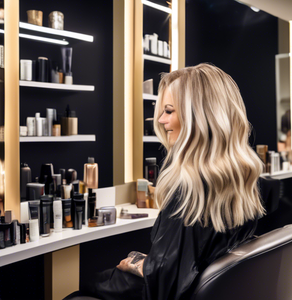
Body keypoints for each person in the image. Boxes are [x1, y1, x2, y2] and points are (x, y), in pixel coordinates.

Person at [76, 64, 265, 300]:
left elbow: (163, 283)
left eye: (169, 111)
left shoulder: (192, 189)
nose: (161, 120)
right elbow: (184, 266)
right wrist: (148, 263)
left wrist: (95, 282)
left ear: (199, 116)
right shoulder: (239, 179)